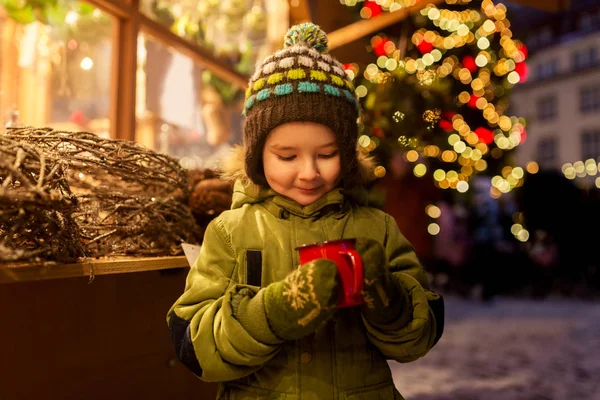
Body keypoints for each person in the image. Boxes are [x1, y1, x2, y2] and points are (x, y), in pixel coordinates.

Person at [167, 22, 444, 400]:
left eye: (327, 155)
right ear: (257, 155)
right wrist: (273, 311)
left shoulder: (376, 228)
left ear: (346, 154)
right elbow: (196, 345)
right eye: (287, 156)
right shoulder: (230, 231)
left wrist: (386, 297)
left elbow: (419, 336)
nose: (309, 172)